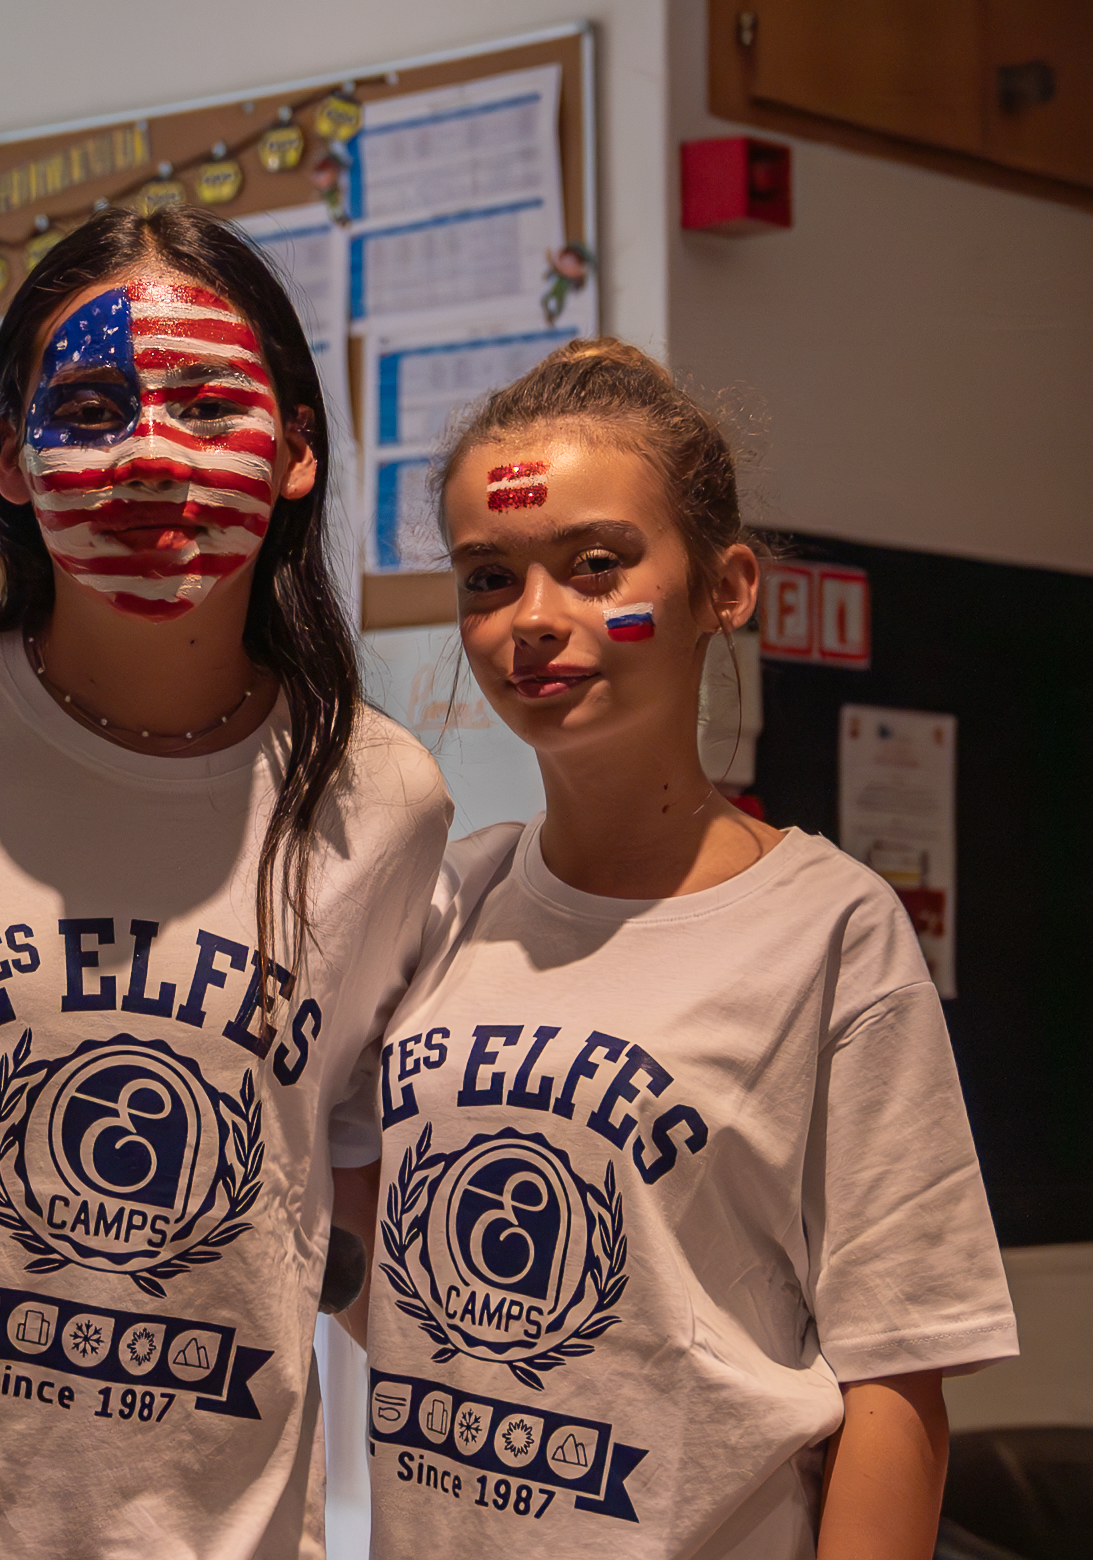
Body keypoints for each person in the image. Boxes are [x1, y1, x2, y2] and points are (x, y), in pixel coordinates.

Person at [0, 205, 449, 1559]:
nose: (148, 452)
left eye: (206, 403)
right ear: (10, 461)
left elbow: (348, 1208)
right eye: (88, 406)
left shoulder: (384, 798)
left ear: (298, 454)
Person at [353, 340, 1016, 1560]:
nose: (532, 622)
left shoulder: (828, 929)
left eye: (595, 565)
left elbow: (899, 1377)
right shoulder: (442, 899)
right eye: (488, 577)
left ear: (727, 587)